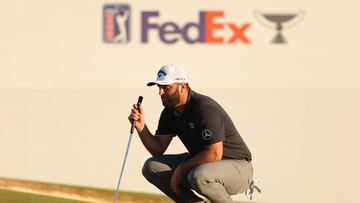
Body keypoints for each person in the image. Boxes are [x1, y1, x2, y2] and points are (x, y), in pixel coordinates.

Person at [128, 64, 254, 203]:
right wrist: (141, 127)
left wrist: (181, 169)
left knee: (198, 176)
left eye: (166, 87)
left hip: (238, 167)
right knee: (151, 167)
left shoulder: (205, 108)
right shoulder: (169, 112)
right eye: (159, 87)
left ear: (182, 86)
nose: (160, 93)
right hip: (205, 165)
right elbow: (158, 149)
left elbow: (214, 153)